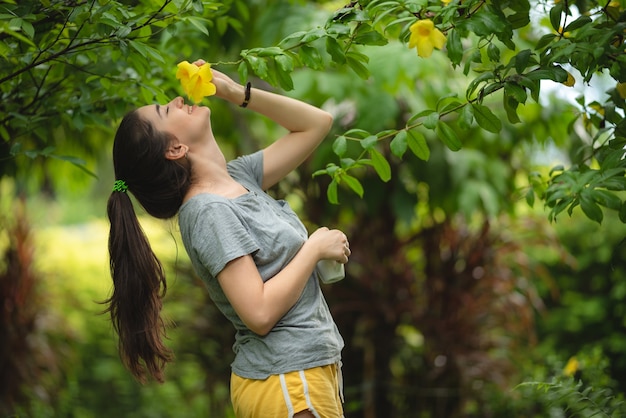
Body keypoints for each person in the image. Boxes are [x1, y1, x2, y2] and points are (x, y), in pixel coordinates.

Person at [106, 59, 350, 418]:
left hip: (305, 372)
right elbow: (259, 312)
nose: (176, 100)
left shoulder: (240, 177)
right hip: (285, 380)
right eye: (164, 110)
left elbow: (316, 124)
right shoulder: (208, 212)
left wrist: (237, 93)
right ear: (174, 150)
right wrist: (313, 248)